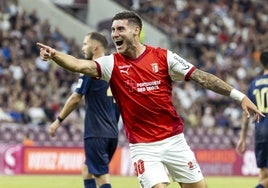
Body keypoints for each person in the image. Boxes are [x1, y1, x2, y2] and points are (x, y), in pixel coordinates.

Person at [37, 11, 264, 188]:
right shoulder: (110, 64)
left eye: (120, 29)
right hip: (143, 147)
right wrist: (56, 55)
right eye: (113, 30)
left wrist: (240, 96)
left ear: (136, 31)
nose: (114, 34)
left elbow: (202, 78)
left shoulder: (163, 57)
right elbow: (79, 64)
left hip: (175, 141)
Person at [48, 32, 119, 188]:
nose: (82, 48)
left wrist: (57, 121)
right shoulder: (115, 68)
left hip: (96, 132)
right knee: (87, 170)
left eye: (85, 44)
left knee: (101, 177)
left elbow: (75, 98)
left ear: (95, 47)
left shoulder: (91, 69)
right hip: (112, 132)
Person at [236, 49, 268, 188]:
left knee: (263, 173)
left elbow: (246, 114)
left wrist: (242, 138)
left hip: (260, 132)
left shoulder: (254, 84)